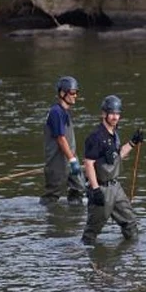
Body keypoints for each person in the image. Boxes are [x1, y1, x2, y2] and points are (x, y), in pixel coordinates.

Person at [80, 94, 144, 246]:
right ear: (104, 114)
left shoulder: (114, 134)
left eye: (117, 113)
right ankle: (86, 258)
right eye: (112, 113)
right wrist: (95, 190)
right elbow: (88, 163)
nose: (115, 117)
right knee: (92, 232)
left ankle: (132, 252)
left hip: (116, 187)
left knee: (130, 222)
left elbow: (118, 155)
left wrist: (133, 143)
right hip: (101, 188)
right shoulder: (95, 137)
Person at [41, 75, 85, 204]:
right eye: (72, 92)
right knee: (52, 196)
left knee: (79, 188)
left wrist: (73, 159)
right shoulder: (56, 112)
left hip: (69, 160)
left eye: (76, 92)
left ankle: (74, 219)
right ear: (62, 93)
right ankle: (49, 220)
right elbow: (60, 138)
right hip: (57, 162)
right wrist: (72, 160)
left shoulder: (65, 112)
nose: (75, 95)